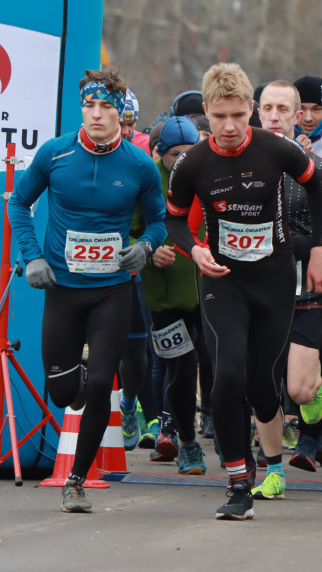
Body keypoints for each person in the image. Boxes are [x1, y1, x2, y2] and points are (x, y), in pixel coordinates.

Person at [165, 63, 322, 520]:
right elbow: (175, 218)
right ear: (206, 112)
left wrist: (318, 249)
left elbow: (317, 188)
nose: (231, 126)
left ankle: (268, 454)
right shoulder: (193, 162)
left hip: (275, 277)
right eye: (219, 117)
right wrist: (195, 251)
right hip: (224, 279)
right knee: (227, 375)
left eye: (239, 115)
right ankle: (239, 482)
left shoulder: (276, 150)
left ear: (252, 110)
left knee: (262, 382)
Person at [9, 68, 166, 513]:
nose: (96, 115)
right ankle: (72, 382)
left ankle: (76, 481)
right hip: (62, 286)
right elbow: (20, 203)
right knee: (62, 393)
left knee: (100, 384)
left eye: (107, 108)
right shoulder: (55, 154)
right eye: (90, 106)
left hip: (112, 290)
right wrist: (31, 256)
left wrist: (146, 246)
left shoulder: (139, 166)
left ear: (121, 115)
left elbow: (157, 220)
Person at [245, 80, 322, 499]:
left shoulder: (318, 168)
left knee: (299, 390)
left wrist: (318, 246)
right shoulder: (238, 164)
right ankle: (273, 471)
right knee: (260, 385)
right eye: (266, 107)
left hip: (306, 287)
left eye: (282, 109)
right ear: (257, 111)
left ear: (295, 116)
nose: (273, 116)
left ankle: (316, 394)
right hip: (255, 289)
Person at [134, 116, 207, 475]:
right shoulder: (146, 181)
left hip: (210, 292)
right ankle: (188, 444)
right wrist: (149, 252)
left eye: (188, 152)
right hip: (165, 300)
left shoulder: (207, 174)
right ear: (159, 152)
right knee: (181, 369)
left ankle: (228, 442)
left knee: (218, 366)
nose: (181, 160)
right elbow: (126, 234)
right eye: (173, 154)